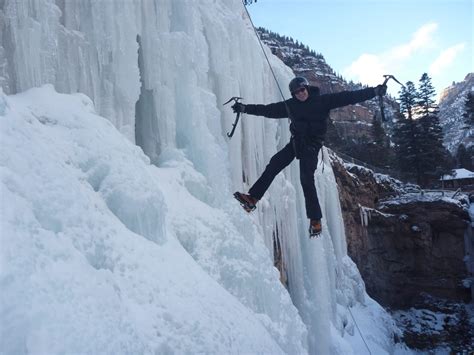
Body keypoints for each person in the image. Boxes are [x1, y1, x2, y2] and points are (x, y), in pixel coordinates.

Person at [232, 76, 387, 238]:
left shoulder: (323, 101)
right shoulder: (291, 106)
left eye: (302, 90)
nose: (300, 93)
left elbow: (349, 97)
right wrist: (245, 108)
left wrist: (374, 91)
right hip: (296, 143)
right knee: (274, 164)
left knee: (306, 178)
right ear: (293, 94)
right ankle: (252, 199)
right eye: (296, 92)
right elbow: (268, 110)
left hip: (312, 146)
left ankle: (315, 219)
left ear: (307, 88)